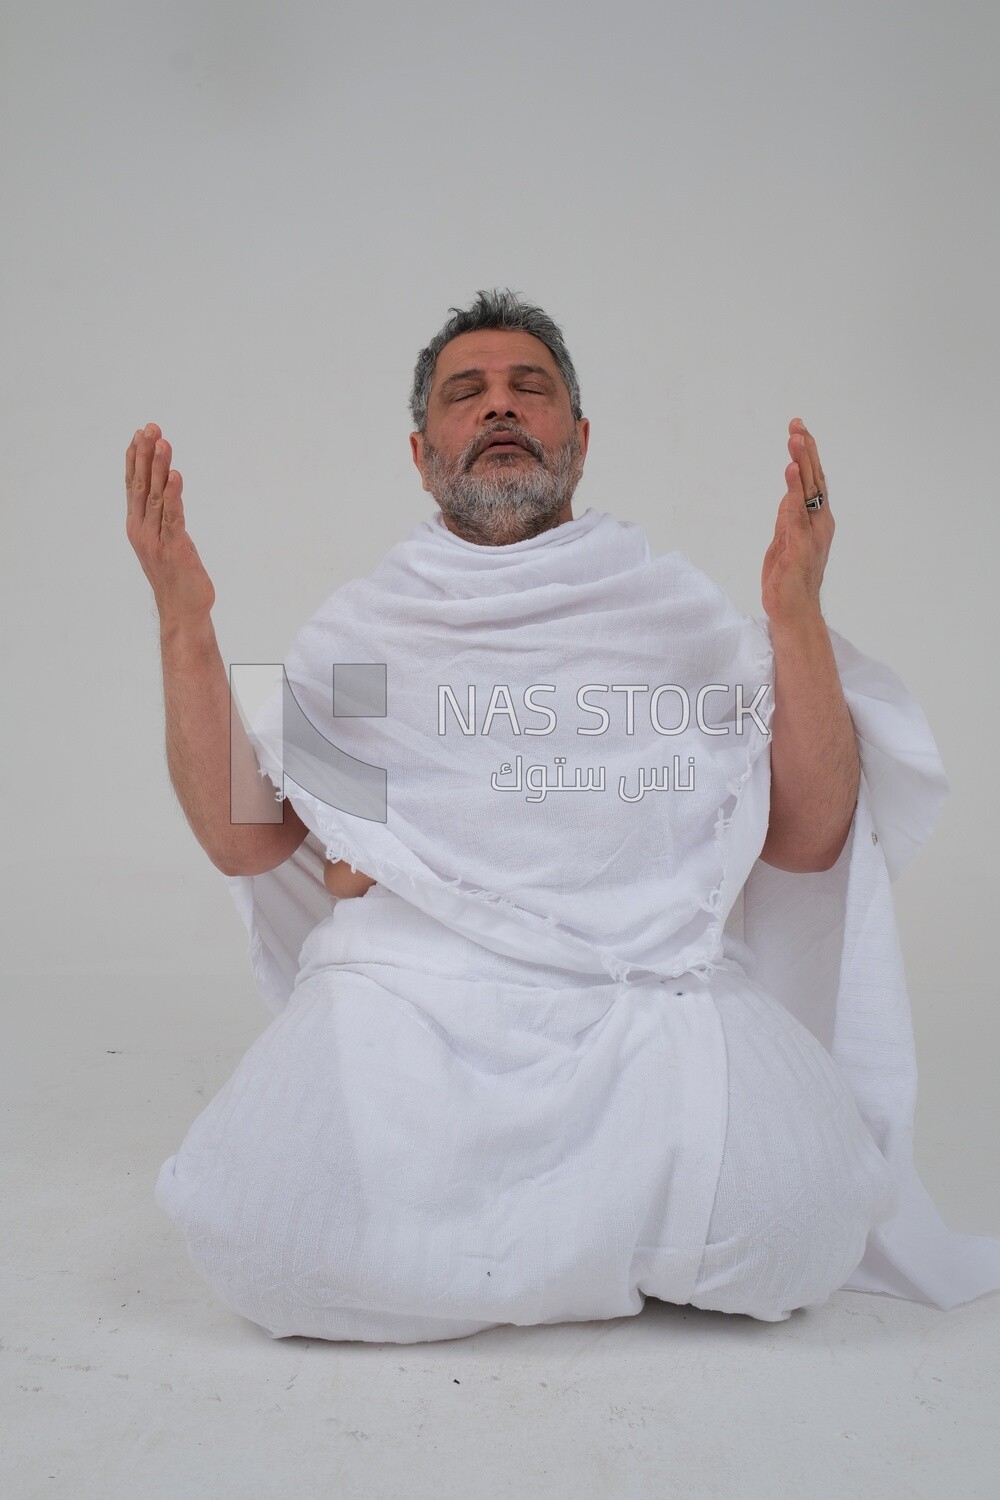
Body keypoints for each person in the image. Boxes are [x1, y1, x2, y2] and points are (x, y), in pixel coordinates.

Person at [130, 289, 1000, 1344]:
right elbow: (250, 838)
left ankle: (465, 1258)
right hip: (418, 1004)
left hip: (647, 1004)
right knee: (258, 1238)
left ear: (578, 439)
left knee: (802, 1225)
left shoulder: (672, 614)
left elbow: (808, 836)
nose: (499, 408)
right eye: (468, 393)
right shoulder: (367, 636)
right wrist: (186, 619)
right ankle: (607, 1243)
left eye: (527, 388)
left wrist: (792, 616)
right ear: (421, 452)